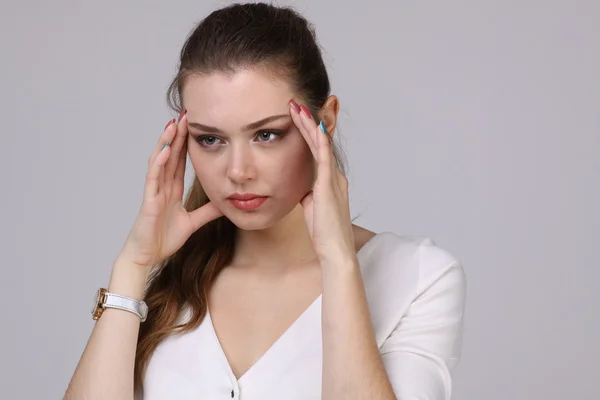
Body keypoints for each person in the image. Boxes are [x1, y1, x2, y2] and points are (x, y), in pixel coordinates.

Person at [65, 3, 467, 399]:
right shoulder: (171, 286)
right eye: (211, 139)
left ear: (324, 122)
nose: (238, 171)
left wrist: (337, 261)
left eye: (266, 134)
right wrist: (133, 265)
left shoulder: (416, 278)